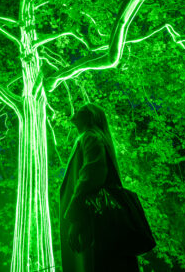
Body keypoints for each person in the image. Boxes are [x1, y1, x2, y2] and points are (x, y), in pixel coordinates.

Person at [60, 104, 139, 272]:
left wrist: (75, 218)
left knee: (94, 264)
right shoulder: (92, 137)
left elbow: (91, 177)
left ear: (91, 117)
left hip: (92, 221)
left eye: (82, 110)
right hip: (95, 220)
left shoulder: (90, 136)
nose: (76, 111)